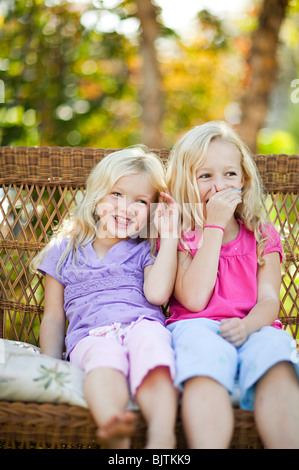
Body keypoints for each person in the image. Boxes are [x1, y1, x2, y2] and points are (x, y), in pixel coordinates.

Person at [31, 146, 179, 449]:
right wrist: (50, 362)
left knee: (152, 347)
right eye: (117, 194)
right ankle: (114, 427)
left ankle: (162, 434)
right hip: (91, 335)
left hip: (142, 324)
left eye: (141, 201)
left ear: (153, 211)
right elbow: (54, 316)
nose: (127, 208)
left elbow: (158, 294)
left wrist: (171, 236)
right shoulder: (63, 251)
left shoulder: (145, 251)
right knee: (103, 360)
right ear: (97, 197)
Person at [165, 121, 299, 449]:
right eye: (205, 175)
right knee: (203, 362)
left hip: (253, 325)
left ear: (244, 181)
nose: (219, 185)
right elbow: (194, 299)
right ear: (186, 182)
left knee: (276, 357)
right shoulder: (179, 233)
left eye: (229, 174)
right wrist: (213, 225)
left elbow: (269, 300)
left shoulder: (261, 233)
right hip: (196, 325)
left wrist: (248, 325)